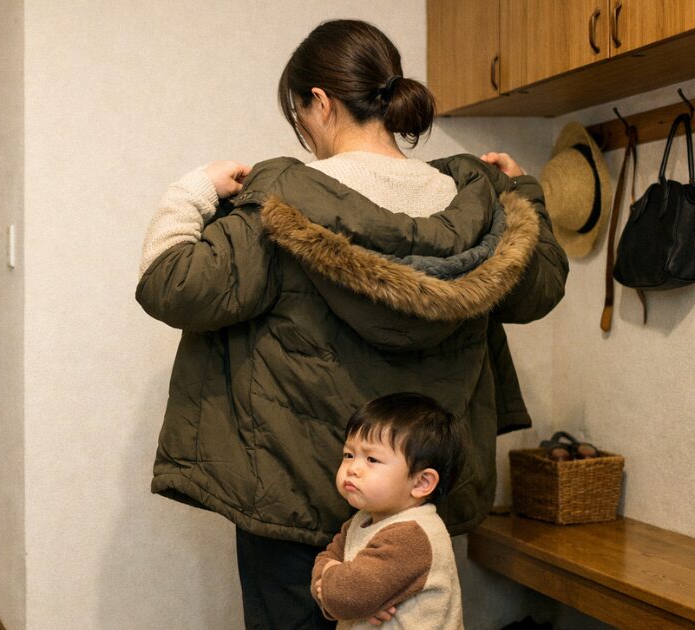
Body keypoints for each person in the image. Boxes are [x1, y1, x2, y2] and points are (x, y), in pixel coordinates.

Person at [135, 19, 568, 629]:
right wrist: (523, 191)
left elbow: (171, 285)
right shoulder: (476, 204)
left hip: (291, 504)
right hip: (413, 517)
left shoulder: (278, 200)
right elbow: (540, 287)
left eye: (299, 113)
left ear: (320, 102)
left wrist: (195, 190)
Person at [311, 393, 465, 628]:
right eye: (349, 455)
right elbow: (326, 564)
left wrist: (342, 590)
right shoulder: (361, 520)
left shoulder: (412, 536)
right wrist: (343, 591)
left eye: (372, 459)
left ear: (421, 483)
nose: (352, 468)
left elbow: (348, 595)